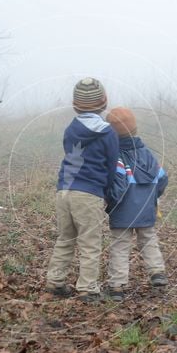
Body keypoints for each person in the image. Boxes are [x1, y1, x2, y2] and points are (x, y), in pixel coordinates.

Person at [46, 77, 119, 299]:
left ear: (75, 104)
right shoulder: (108, 132)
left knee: (65, 238)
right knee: (90, 242)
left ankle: (55, 281)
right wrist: (107, 194)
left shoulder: (71, 129)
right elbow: (111, 166)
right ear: (104, 101)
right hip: (88, 194)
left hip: (64, 191)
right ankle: (87, 289)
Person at [104, 107, 169, 301]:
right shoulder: (147, 154)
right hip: (146, 210)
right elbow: (162, 178)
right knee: (148, 241)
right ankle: (157, 273)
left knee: (120, 246)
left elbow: (118, 185)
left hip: (123, 211)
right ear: (135, 129)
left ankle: (117, 286)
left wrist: (110, 204)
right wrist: (152, 196)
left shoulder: (116, 156)